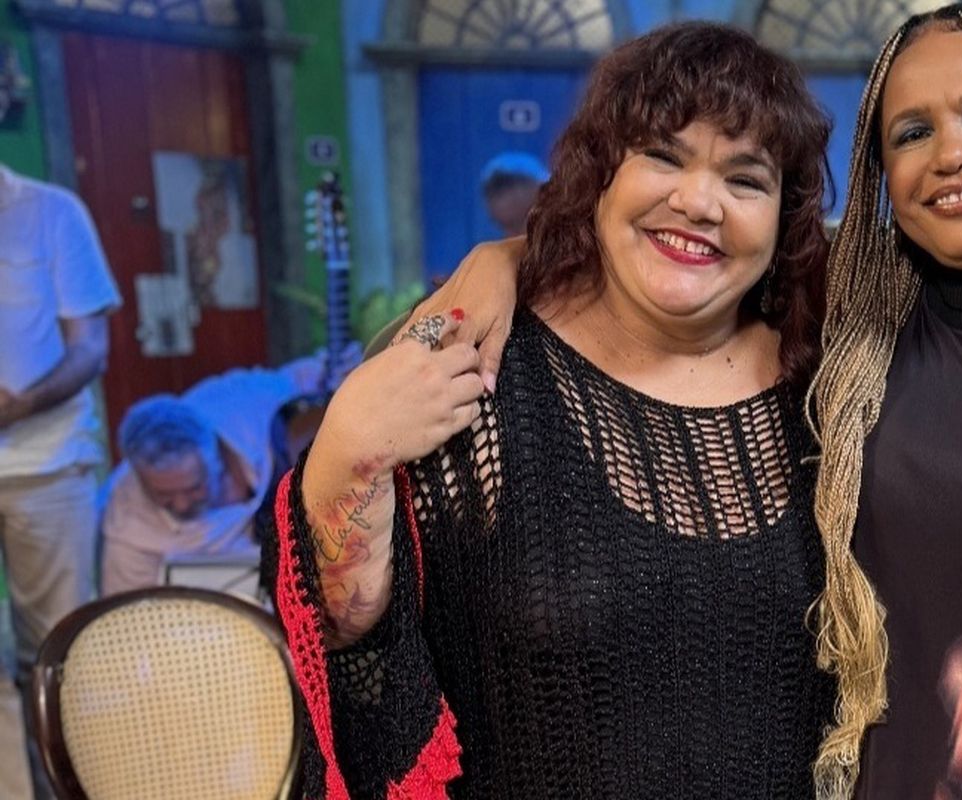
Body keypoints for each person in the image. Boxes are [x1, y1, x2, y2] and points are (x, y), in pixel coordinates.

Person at [412, 5, 962, 798]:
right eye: (912, 132)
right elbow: (688, 243)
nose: (953, 152)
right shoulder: (849, 321)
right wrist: (502, 261)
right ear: (884, 174)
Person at [271, 24, 837, 798]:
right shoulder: (480, 370)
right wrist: (346, 447)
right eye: (663, 156)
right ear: (600, 175)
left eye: (746, 180)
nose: (698, 201)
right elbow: (350, 633)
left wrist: (506, 252)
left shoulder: (830, 387)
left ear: (784, 217)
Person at [0, 162, 120, 800]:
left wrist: (19, 405)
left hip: (46, 464)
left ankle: (70, 792)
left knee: (58, 655)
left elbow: (90, 348)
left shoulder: (51, 211)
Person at [100, 348, 357, 596]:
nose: (181, 504)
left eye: (194, 487)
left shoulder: (241, 404)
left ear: (217, 457)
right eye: (163, 495)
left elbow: (304, 378)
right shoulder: (126, 523)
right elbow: (127, 611)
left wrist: (342, 370)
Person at [480, 151, 549, 238]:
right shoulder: (490, 247)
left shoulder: (560, 237)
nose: (504, 198)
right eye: (495, 192)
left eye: (510, 186)